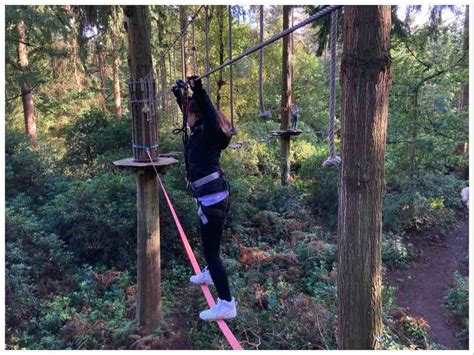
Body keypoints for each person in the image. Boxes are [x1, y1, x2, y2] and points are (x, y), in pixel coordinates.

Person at [172, 76, 236, 321]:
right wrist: (180, 95)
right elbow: (192, 111)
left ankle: (227, 303)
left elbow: (206, 112)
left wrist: (198, 89)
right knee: (209, 246)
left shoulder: (209, 131)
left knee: (212, 253)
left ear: (196, 115)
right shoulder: (198, 129)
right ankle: (210, 273)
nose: (186, 116)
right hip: (209, 199)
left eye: (189, 112)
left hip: (214, 199)